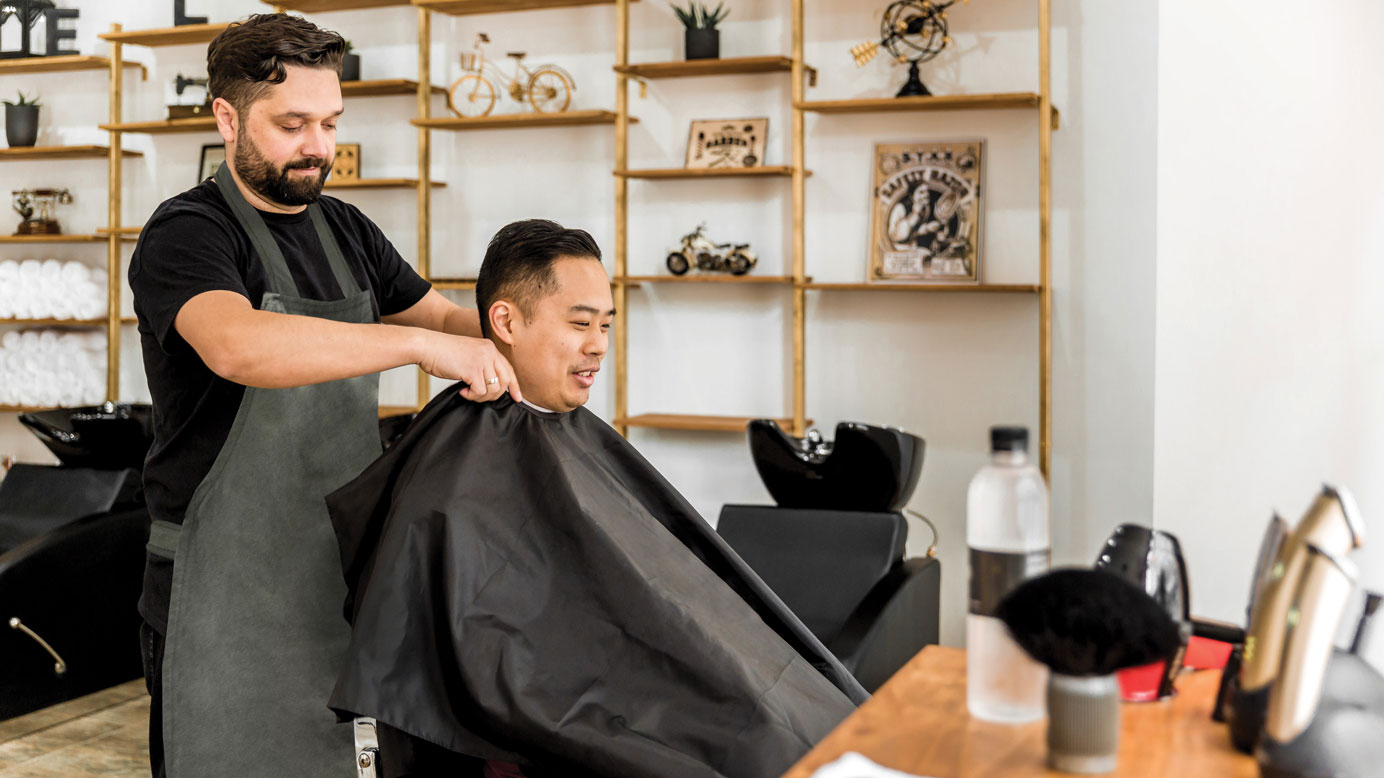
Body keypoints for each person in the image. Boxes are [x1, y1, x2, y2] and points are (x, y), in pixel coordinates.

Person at [326, 220, 867, 778]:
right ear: (506, 321)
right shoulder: (456, 478)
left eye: (606, 325)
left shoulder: (569, 435)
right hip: (603, 728)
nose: (598, 346)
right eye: (580, 323)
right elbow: (505, 677)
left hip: (689, 692)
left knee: (805, 718)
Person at [127, 14, 519, 778]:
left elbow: (440, 316)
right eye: (292, 124)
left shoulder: (346, 230)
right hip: (217, 590)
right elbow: (238, 344)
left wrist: (531, 333)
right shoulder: (188, 233)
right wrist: (416, 346)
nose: (317, 145)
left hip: (330, 579)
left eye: (331, 121)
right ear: (227, 116)